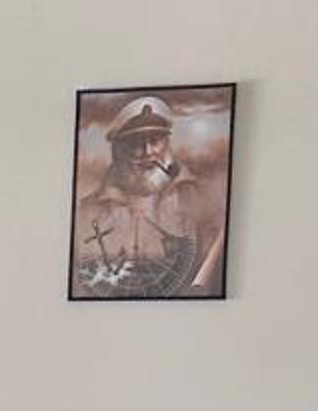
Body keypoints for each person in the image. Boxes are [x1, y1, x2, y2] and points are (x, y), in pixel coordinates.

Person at [71, 96, 227, 299]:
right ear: (118, 151)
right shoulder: (87, 211)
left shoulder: (199, 199)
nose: (148, 152)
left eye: (155, 141)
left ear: (167, 144)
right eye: (136, 144)